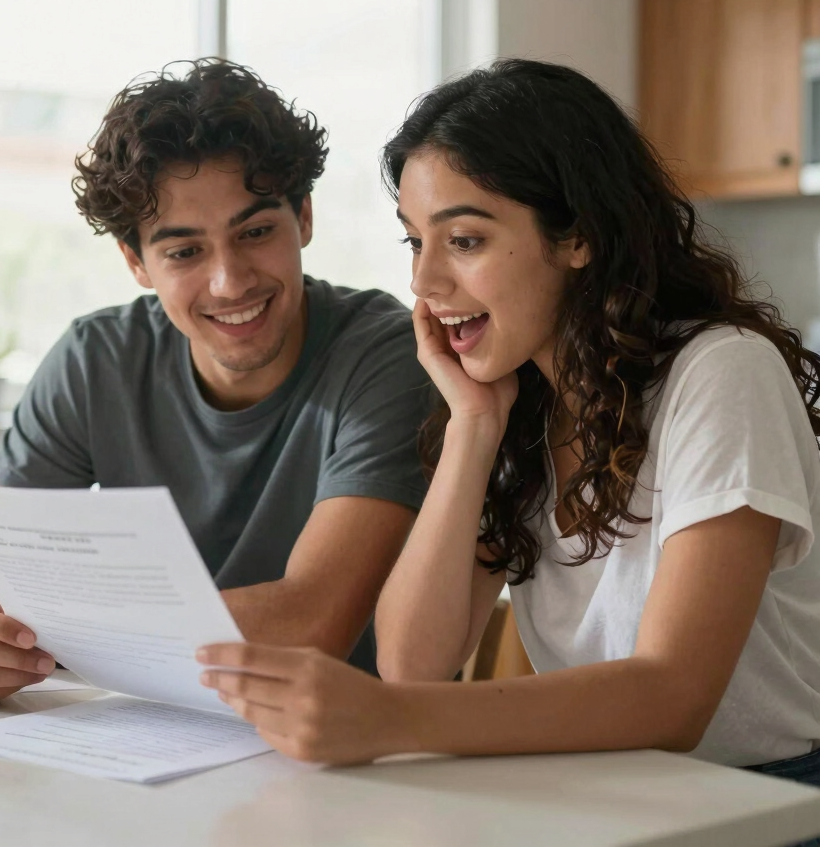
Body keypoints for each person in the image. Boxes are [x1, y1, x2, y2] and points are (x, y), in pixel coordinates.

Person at [198, 59, 820, 795]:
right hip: (612, 797)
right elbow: (413, 661)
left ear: (577, 237)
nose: (425, 284)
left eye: (464, 241)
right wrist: (470, 425)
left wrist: (392, 719)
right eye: (414, 242)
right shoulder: (516, 401)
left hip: (771, 801)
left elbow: (672, 698)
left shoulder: (719, 373)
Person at [0, 59, 429, 704]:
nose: (230, 282)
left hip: (333, 756)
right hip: (143, 734)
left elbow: (308, 623)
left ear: (305, 218)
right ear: (137, 263)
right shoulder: (96, 359)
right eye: (184, 251)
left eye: (257, 232)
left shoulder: (387, 353)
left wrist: (54, 628)